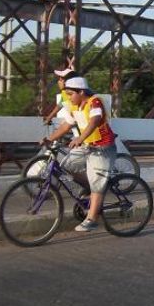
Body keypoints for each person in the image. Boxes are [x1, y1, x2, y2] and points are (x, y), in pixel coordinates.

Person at [41, 77, 117, 232]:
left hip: (102, 148)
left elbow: (94, 121)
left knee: (97, 182)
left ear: (81, 92)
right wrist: (48, 139)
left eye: (70, 94)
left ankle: (92, 218)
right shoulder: (74, 107)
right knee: (66, 166)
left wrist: (80, 138)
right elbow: (65, 126)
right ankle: (92, 188)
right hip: (87, 146)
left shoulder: (95, 102)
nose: (68, 98)